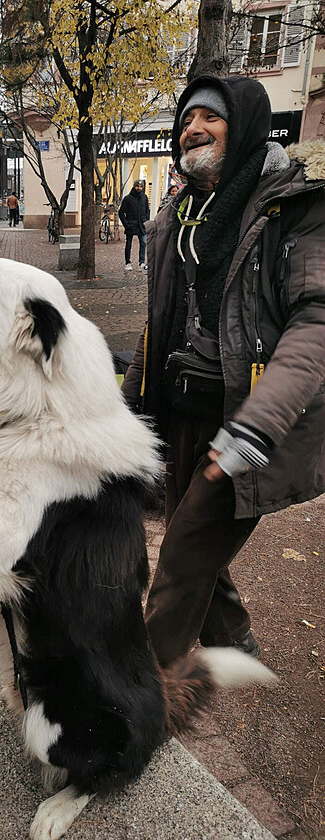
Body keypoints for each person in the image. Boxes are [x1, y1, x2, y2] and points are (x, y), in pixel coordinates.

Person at [121, 74, 325, 671]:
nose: (193, 128)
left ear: (246, 126)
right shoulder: (175, 218)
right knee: (200, 538)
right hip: (184, 407)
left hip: (250, 419)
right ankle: (234, 642)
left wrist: (257, 427)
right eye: (186, 119)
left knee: (183, 553)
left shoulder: (294, 206)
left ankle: (138, 696)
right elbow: (158, 325)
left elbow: (316, 320)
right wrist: (126, 403)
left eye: (210, 116)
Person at [118, 178, 150, 272]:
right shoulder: (128, 198)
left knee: (143, 243)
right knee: (129, 244)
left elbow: (147, 210)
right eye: (137, 186)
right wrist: (126, 224)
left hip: (142, 224)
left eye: (140, 186)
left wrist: (146, 220)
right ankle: (128, 263)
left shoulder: (144, 197)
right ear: (134, 186)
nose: (139, 188)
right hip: (131, 224)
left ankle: (142, 262)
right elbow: (121, 212)